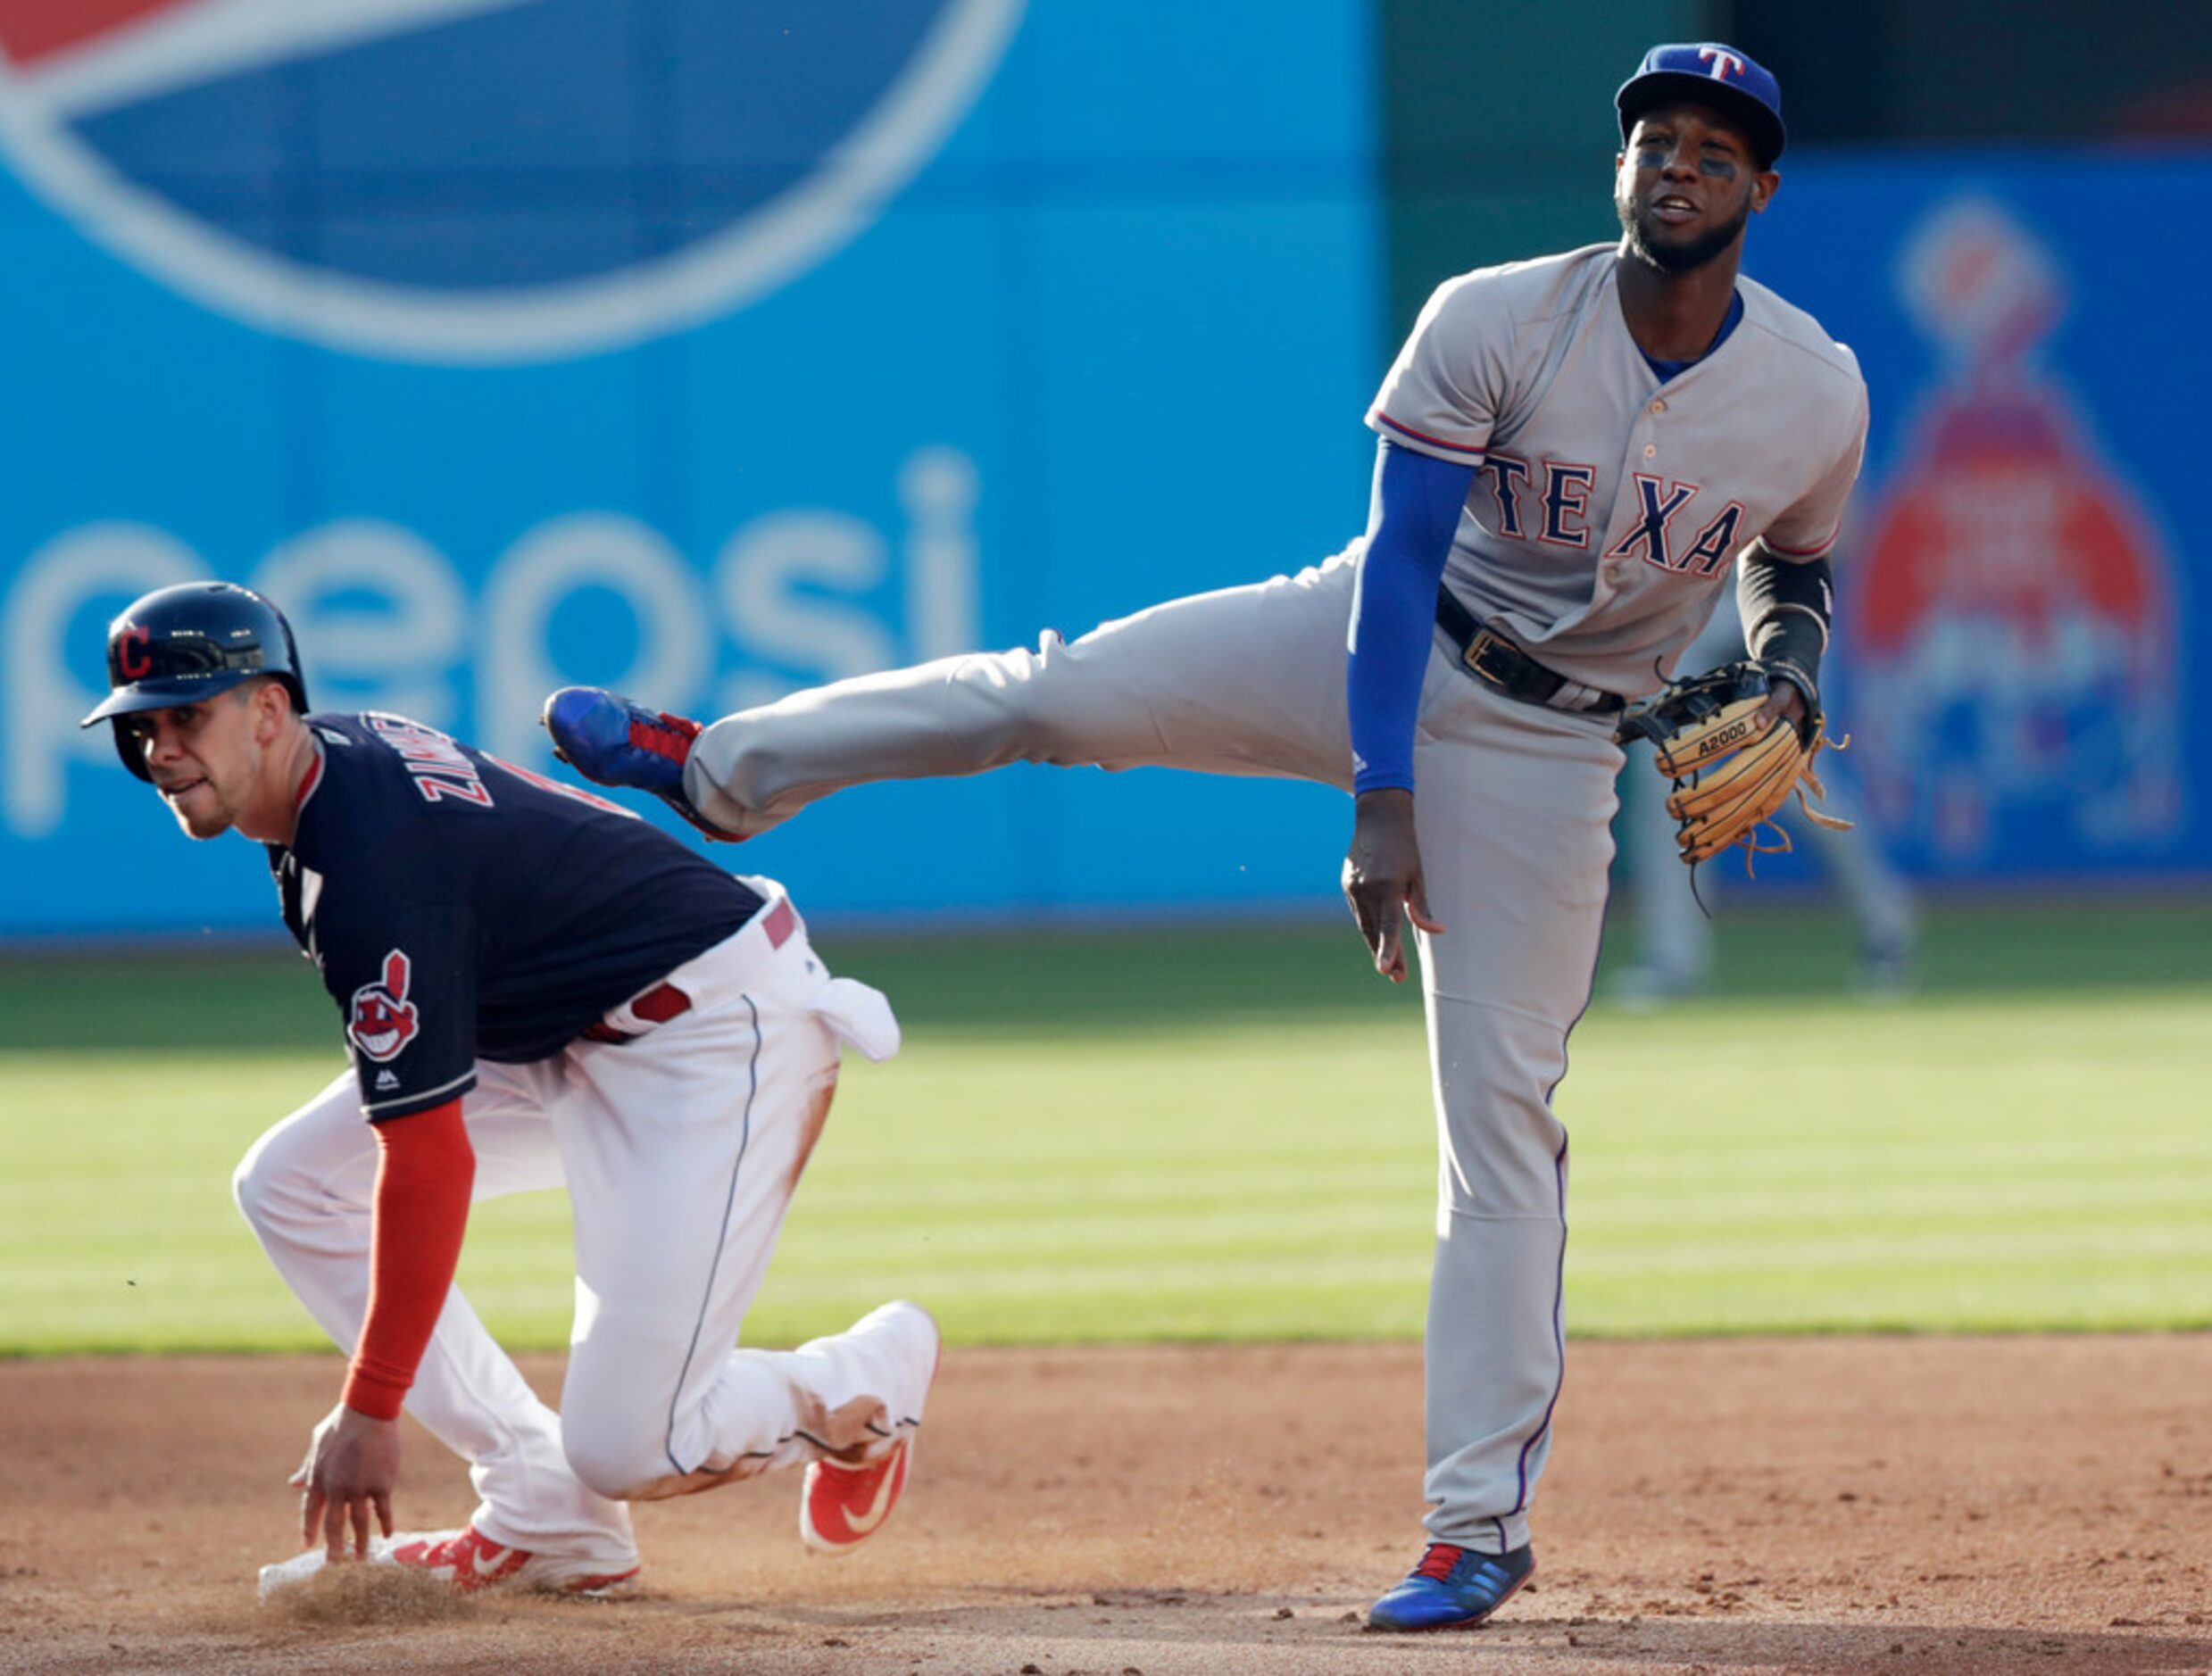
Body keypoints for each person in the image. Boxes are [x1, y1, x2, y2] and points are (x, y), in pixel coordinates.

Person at [545, 42, 1866, 1632]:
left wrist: (1786, 660)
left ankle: (1474, 1528)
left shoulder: (1813, 389)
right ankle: (724, 771)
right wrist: (1382, 796)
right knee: (1060, 688)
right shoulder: (1496, 314)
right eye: (1653, 135)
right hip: (1377, 646)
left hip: (1547, 747)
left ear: (1759, 190)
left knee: (1498, 1123)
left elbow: (1794, 565)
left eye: (1715, 148)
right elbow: (1395, 567)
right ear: (1617, 168)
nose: (1676, 160)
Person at [82, 580, 938, 1599]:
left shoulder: (366, 860)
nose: (162, 748)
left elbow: (430, 1155)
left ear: (269, 711)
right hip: (564, 1031)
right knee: (291, 1184)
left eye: (190, 715)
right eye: (143, 726)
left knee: (637, 1443)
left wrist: (372, 1404)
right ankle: (549, 1514)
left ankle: (861, 1387)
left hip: (711, 1034)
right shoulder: (327, 781)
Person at [1611, 605, 1917, 1007]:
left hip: (1768, 608)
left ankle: (1886, 924)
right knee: (1669, 784)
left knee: (1794, 781)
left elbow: (1828, 545)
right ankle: (1675, 958)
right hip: (1691, 613)